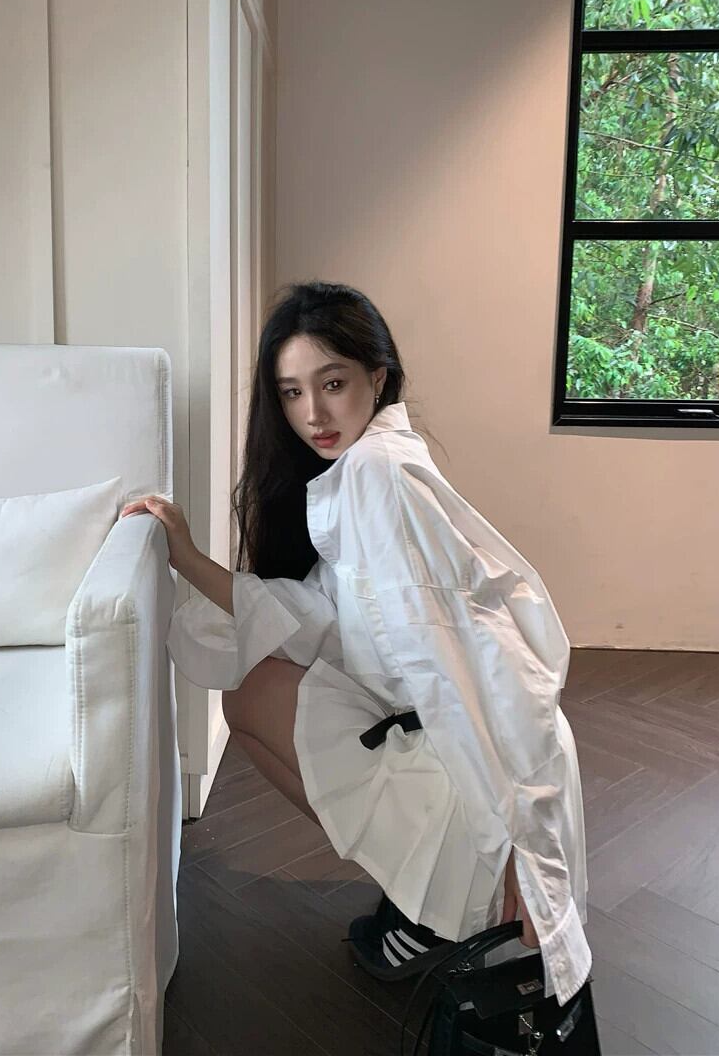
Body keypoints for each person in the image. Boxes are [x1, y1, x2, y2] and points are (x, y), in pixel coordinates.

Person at [122, 280, 591, 1007]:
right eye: (291, 393)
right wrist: (188, 558)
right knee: (250, 692)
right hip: (453, 744)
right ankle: (427, 888)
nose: (313, 414)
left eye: (333, 383)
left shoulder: (378, 473)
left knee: (254, 695)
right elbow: (321, 615)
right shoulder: (363, 469)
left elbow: (473, 668)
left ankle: (443, 909)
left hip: (481, 768)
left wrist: (526, 850)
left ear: (378, 376)